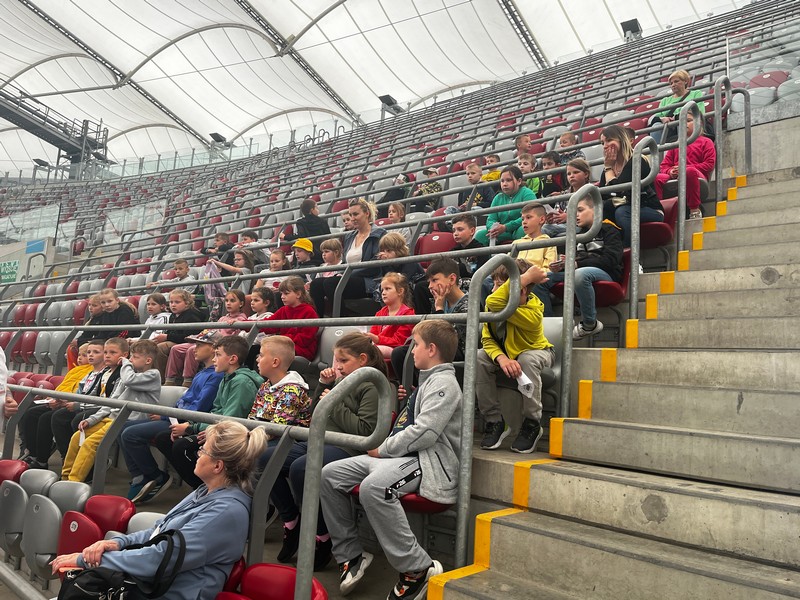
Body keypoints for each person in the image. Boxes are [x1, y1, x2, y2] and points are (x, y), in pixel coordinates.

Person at [320, 320, 461, 600]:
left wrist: (382, 449)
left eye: (416, 345)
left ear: (431, 349)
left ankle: (416, 568)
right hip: (400, 457)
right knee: (329, 475)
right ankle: (351, 555)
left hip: (427, 461)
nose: (411, 351)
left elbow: (424, 434)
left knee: (375, 487)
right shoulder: (428, 380)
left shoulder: (444, 384)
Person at [51, 421, 269, 600]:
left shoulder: (226, 512)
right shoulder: (205, 491)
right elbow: (160, 530)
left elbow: (160, 558)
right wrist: (118, 543)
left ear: (217, 466)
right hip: (152, 587)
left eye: (203, 450)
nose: (197, 454)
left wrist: (84, 560)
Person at [260, 332, 386, 570]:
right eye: (336, 360)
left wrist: (334, 403)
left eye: (344, 360)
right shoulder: (340, 381)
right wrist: (323, 385)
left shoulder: (373, 385)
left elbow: (366, 431)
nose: (338, 366)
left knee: (300, 469)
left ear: (362, 359)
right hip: (318, 440)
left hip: (346, 448)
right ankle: (291, 521)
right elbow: (315, 414)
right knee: (264, 458)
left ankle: (322, 535)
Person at [120, 330, 224, 503]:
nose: (194, 348)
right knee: (122, 427)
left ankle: (154, 476)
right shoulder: (202, 372)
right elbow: (184, 401)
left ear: (213, 348)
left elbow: (198, 408)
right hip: (176, 417)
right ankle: (139, 475)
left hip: (184, 421)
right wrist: (166, 413)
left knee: (130, 434)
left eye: (199, 345)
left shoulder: (215, 375)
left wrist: (165, 418)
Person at [155, 335, 263, 491]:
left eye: (218, 355)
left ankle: (210, 489)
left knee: (181, 447)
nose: (214, 359)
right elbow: (215, 411)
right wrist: (191, 425)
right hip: (216, 427)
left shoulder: (241, 382)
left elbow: (230, 420)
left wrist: (191, 428)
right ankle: (204, 487)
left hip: (231, 434)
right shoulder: (227, 377)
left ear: (232, 359)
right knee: (164, 438)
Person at [477, 260, 553, 453]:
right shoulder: (496, 307)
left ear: (522, 290)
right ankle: (495, 420)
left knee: (526, 359)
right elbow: (488, 339)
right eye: (494, 285)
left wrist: (525, 278)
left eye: (500, 286)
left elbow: (492, 301)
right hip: (507, 356)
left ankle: (532, 422)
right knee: (479, 357)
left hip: (539, 352)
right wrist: (501, 358)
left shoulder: (533, 312)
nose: (494, 291)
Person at [61, 340, 161, 482]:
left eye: (135, 357)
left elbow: (129, 380)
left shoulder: (152, 375)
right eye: (130, 357)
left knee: (90, 444)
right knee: (77, 437)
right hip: (112, 417)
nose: (130, 360)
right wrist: (92, 419)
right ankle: (65, 477)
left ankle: (73, 482)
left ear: (148, 360)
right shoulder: (128, 375)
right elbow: (112, 401)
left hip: (128, 421)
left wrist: (125, 363)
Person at [534, 196, 624, 340]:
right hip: (580, 271)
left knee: (579, 274)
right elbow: (576, 261)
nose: (576, 215)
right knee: (541, 278)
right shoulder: (578, 234)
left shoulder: (610, 229)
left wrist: (576, 264)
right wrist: (562, 266)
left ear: (596, 210)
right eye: (574, 211)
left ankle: (589, 323)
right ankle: (548, 328)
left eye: (580, 210)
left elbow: (610, 261)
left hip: (606, 273)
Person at [393, 258, 470, 384]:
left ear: (452, 279)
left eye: (434, 280)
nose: (430, 286)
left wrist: (439, 309)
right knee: (400, 354)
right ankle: (413, 390)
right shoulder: (440, 301)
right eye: (429, 282)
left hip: (456, 350)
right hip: (438, 346)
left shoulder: (468, 305)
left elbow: (448, 340)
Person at [18, 344, 94, 468]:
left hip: (72, 403)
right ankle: (31, 453)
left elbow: (79, 392)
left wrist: (62, 401)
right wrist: (52, 397)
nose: (80, 358)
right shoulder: (75, 370)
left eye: (84, 355)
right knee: (28, 410)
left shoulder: (92, 372)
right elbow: (62, 387)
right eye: (79, 354)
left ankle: (43, 460)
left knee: (47, 418)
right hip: (60, 400)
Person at [51, 338, 126, 460]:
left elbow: (107, 401)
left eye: (96, 352)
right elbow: (82, 393)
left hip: (106, 410)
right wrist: (66, 401)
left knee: (77, 419)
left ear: (124, 355)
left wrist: (78, 405)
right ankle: (65, 457)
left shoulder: (120, 374)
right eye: (106, 352)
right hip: (91, 405)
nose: (107, 356)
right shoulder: (95, 373)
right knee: (55, 415)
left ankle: (84, 459)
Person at [309, 198, 387, 316]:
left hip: (369, 280)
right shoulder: (349, 236)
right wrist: (342, 274)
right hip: (348, 278)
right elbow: (345, 262)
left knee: (330, 283)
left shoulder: (379, 234)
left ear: (367, 213)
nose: (352, 218)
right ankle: (319, 321)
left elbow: (376, 265)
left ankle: (342, 318)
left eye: (356, 214)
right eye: (350, 215)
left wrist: (347, 274)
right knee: (316, 284)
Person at [165, 290, 248, 387]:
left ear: (241, 303)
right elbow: (211, 330)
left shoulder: (242, 319)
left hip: (219, 344)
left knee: (192, 350)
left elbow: (236, 338)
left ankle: (188, 380)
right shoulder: (222, 318)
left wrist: (236, 323)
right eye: (226, 301)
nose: (228, 303)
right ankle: (170, 379)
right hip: (207, 341)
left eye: (232, 301)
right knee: (176, 349)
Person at [599, 124, 663, 247]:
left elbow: (619, 190)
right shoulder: (609, 167)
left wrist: (608, 168)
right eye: (602, 143)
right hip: (625, 207)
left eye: (609, 140)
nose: (605, 145)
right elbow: (603, 195)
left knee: (622, 212)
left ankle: (629, 250)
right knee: (599, 212)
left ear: (622, 140)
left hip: (649, 209)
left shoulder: (638, 160)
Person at [655, 112, 716, 220]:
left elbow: (709, 164)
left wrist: (684, 168)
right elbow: (664, 166)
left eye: (688, 121)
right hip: (676, 175)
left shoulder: (706, 142)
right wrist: (670, 171)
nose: (684, 124)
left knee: (689, 171)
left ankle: (694, 209)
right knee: (656, 177)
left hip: (695, 175)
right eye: (682, 122)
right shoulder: (676, 144)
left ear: (699, 123)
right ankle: (660, 211)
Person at [248, 336, 311, 429]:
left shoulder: (291, 392)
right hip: (261, 433)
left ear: (275, 362)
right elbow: (252, 417)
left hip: (284, 437)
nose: (257, 359)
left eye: (261, 355)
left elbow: (277, 429)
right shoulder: (266, 385)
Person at [259, 276, 319, 361]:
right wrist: (244, 324)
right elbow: (268, 324)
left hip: (303, 350)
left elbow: (305, 339)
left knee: (271, 351)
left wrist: (281, 339)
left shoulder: (309, 311)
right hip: (285, 346)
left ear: (298, 294)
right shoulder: (284, 310)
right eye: (281, 294)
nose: (282, 297)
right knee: (258, 349)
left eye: (286, 293)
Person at [474, 166, 535, 246]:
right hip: (502, 231)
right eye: (502, 181)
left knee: (524, 230)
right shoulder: (498, 197)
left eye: (508, 180)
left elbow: (529, 217)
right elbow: (491, 219)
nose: (504, 184)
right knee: (480, 235)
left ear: (519, 181)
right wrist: (493, 229)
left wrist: (506, 227)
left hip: (519, 228)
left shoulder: (527, 193)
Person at [155, 289, 207, 380]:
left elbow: (189, 337)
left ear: (187, 303)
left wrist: (167, 337)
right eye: (171, 302)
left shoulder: (192, 315)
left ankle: (162, 378)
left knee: (161, 348)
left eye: (177, 302)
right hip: (174, 341)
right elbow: (170, 331)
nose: (173, 305)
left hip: (186, 342)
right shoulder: (172, 315)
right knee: (149, 345)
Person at [650, 69, 706, 144]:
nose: (673, 85)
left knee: (682, 121)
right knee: (656, 125)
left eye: (676, 81)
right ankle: (656, 150)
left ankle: (683, 147)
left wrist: (677, 117)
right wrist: (663, 119)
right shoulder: (665, 100)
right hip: (669, 128)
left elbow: (699, 112)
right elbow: (657, 117)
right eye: (671, 83)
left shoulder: (696, 93)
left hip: (688, 124)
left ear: (685, 81)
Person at [368, 273, 415, 359]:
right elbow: (373, 334)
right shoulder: (379, 313)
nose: (383, 293)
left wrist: (377, 339)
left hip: (394, 354)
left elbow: (400, 341)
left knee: (369, 352)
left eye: (387, 289)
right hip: (377, 349)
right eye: (382, 290)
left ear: (400, 291)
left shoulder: (408, 314)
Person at [543, 158, 593, 238]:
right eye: (569, 174)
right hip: (563, 226)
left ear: (586, 174)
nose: (571, 176)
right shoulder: (564, 194)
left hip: (581, 227)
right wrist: (553, 219)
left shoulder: (593, 192)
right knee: (543, 226)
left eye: (576, 172)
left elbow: (593, 216)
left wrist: (569, 217)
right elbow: (558, 212)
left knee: (545, 229)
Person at [74, 288, 140, 347]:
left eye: (110, 301)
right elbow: (102, 333)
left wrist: (105, 343)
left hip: (126, 342)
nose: (107, 305)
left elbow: (124, 332)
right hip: (111, 341)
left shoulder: (125, 311)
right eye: (103, 302)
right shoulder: (106, 313)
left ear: (117, 300)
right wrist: (92, 342)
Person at [514, 203, 557, 269]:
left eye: (528, 217)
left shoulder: (549, 243)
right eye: (522, 219)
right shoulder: (516, 243)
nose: (524, 222)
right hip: (516, 274)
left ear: (542, 219)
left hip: (536, 274)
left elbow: (548, 269)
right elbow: (508, 266)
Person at [242, 287, 276, 369]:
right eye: (251, 300)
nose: (252, 303)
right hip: (249, 344)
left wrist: (248, 337)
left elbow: (264, 338)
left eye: (256, 300)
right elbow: (242, 334)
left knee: (252, 349)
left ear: (266, 303)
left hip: (260, 346)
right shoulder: (251, 317)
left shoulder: (270, 316)